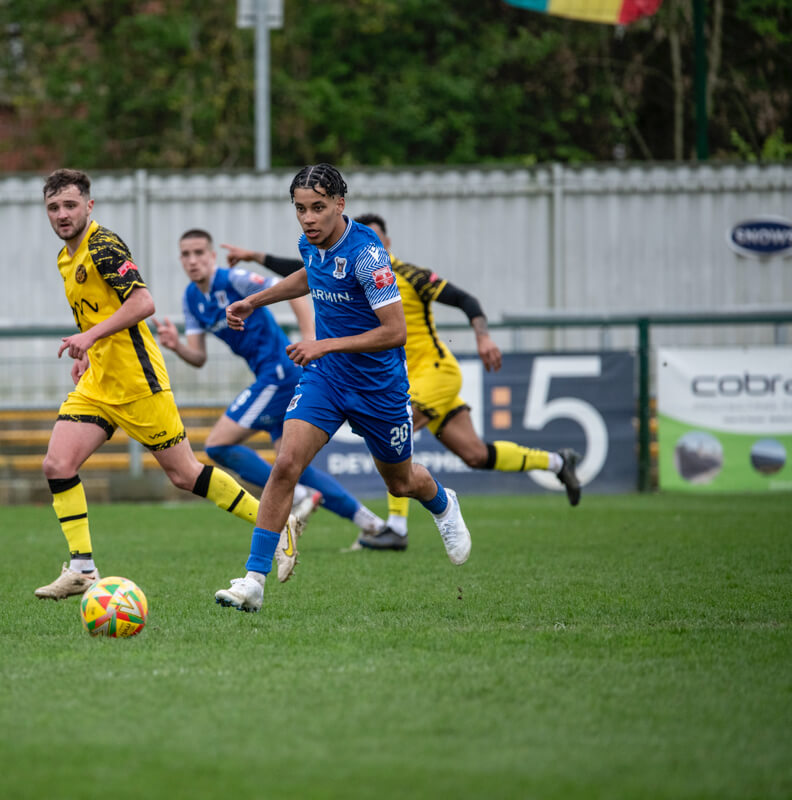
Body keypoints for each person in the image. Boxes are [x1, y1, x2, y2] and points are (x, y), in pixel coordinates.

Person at [221, 213, 581, 552]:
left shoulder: (409, 275)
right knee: (474, 454)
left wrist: (483, 336)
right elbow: (303, 271)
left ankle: (397, 526)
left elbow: (465, 300)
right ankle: (554, 462)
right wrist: (254, 261)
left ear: (385, 241)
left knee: (399, 458)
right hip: (393, 375)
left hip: (431, 374)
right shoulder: (334, 261)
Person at [214, 164, 471, 614]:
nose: (308, 218)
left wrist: (323, 343)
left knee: (402, 480)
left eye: (317, 207)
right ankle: (253, 581)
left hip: (379, 387)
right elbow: (308, 275)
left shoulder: (368, 255)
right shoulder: (308, 244)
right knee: (285, 465)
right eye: (300, 209)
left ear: (339, 204)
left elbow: (395, 332)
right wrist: (253, 301)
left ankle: (443, 503)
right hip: (328, 377)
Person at [36, 169, 302, 600]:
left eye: (70, 205)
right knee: (57, 464)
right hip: (100, 383)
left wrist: (89, 336)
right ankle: (83, 568)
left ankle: (276, 520)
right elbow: (96, 310)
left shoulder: (103, 245)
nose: (62, 214)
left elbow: (143, 302)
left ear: (89, 205)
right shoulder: (67, 257)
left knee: (184, 474)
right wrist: (87, 350)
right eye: (53, 207)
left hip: (140, 383)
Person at [154, 228, 396, 572]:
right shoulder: (192, 300)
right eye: (185, 255)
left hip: (279, 373)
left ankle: (295, 500)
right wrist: (176, 345)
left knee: (218, 444)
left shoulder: (235, 279)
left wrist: (311, 337)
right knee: (294, 466)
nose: (192, 261)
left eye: (198, 253)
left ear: (211, 256)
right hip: (269, 376)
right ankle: (372, 524)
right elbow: (198, 357)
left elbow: (295, 289)